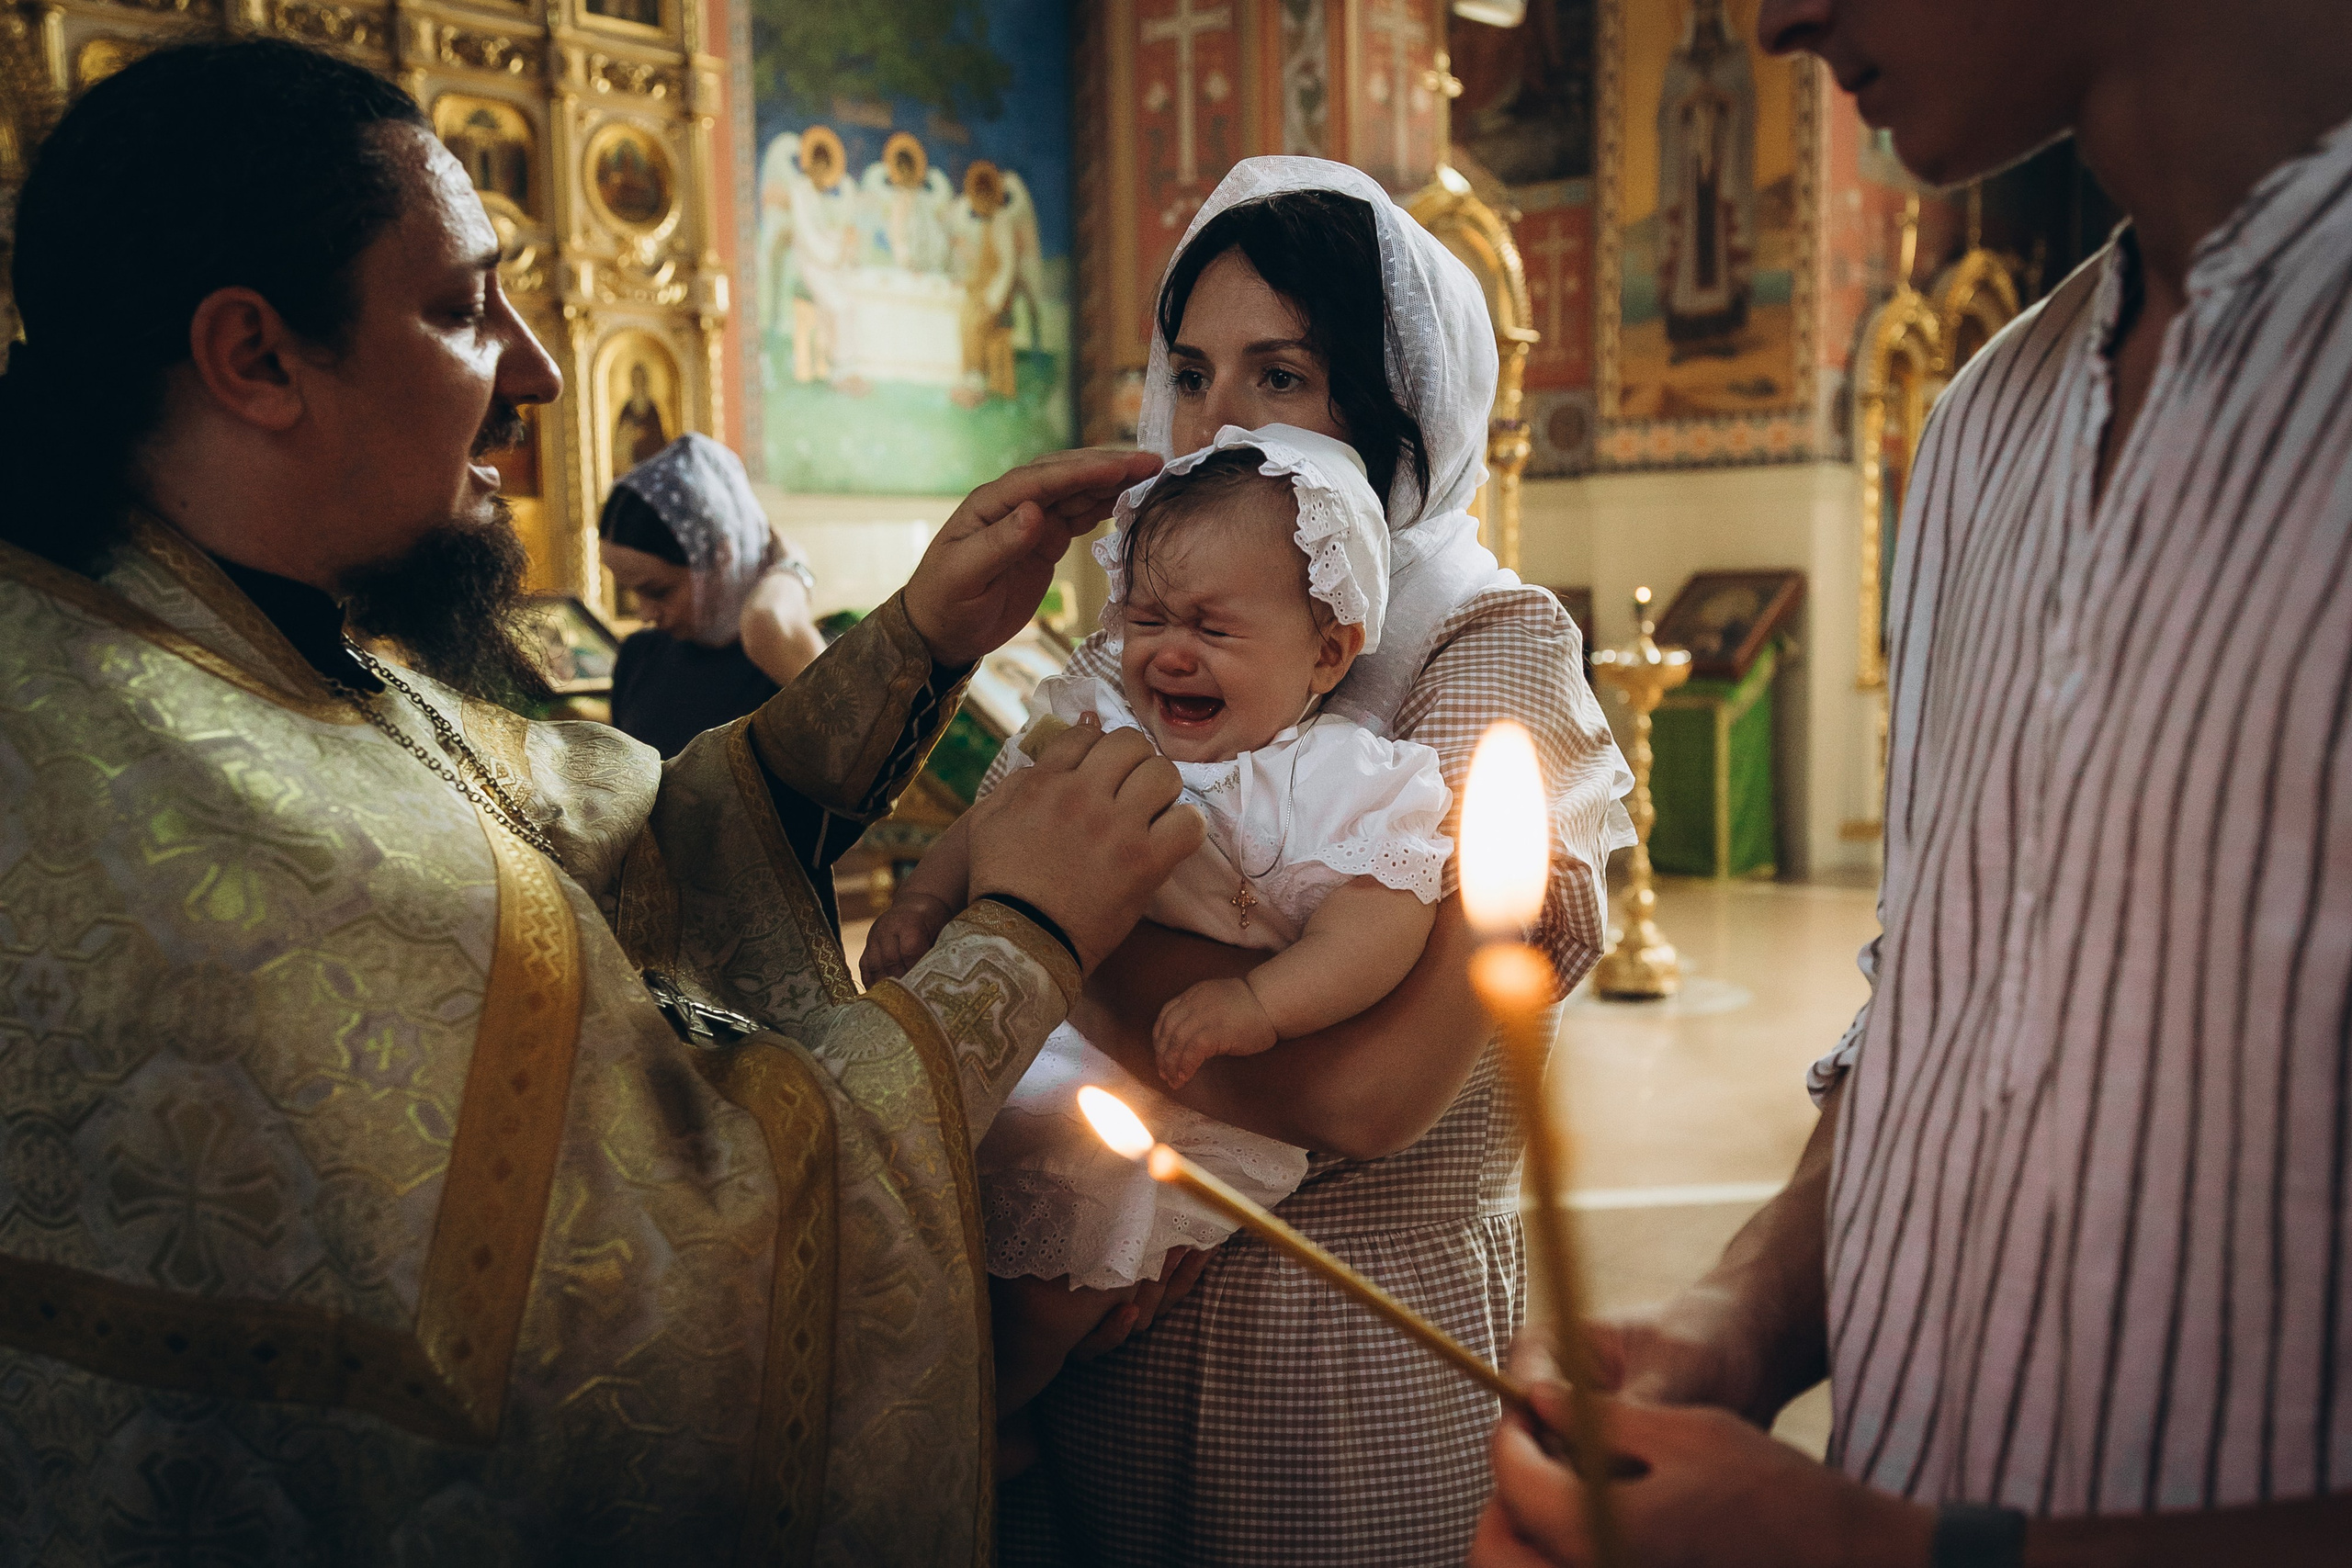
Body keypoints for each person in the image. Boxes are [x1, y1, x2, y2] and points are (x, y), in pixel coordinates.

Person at [0, 40, 1198, 1564]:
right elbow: (679, 1303)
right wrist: (1022, 933)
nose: (539, 370)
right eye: (456, 307)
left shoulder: (195, 633)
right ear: (253, 358)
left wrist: (918, 639)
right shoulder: (202, 830)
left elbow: (620, 838)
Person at [1472, 1, 2352, 1564]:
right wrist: (1745, 1312)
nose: (1772, 18)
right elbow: (1941, 1012)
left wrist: (1898, 1556)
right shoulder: (1987, 426)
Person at [997, 157, 1634, 1568]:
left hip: (1336, 1352)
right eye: (1192, 372)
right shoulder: (1166, 608)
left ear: (1395, 394)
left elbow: (1370, 1088)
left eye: (1279, 375)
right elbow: (988, 876)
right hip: (1110, 1328)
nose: (1217, 424)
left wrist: (1074, 936)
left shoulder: (1484, 641)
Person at [865, 426, 1454, 1417]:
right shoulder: (1100, 723)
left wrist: (1261, 1001)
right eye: (1145, 618)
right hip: (1051, 1039)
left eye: (1214, 630)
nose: (1169, 652)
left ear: (1327, 650)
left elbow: (1379, 920)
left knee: (1049, 1285)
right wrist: (927, 898)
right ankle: (918, 1396)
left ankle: (989, 1417)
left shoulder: (1340, 785)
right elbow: (999, 817)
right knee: (914, 1195)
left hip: (1196, 1095)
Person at [598, 432, 825, 757]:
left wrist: (791, 574)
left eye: (658, 591)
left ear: (720, 559)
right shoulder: (639, 657)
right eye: (632, 592)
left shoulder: (787, 656)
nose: (645, 613)